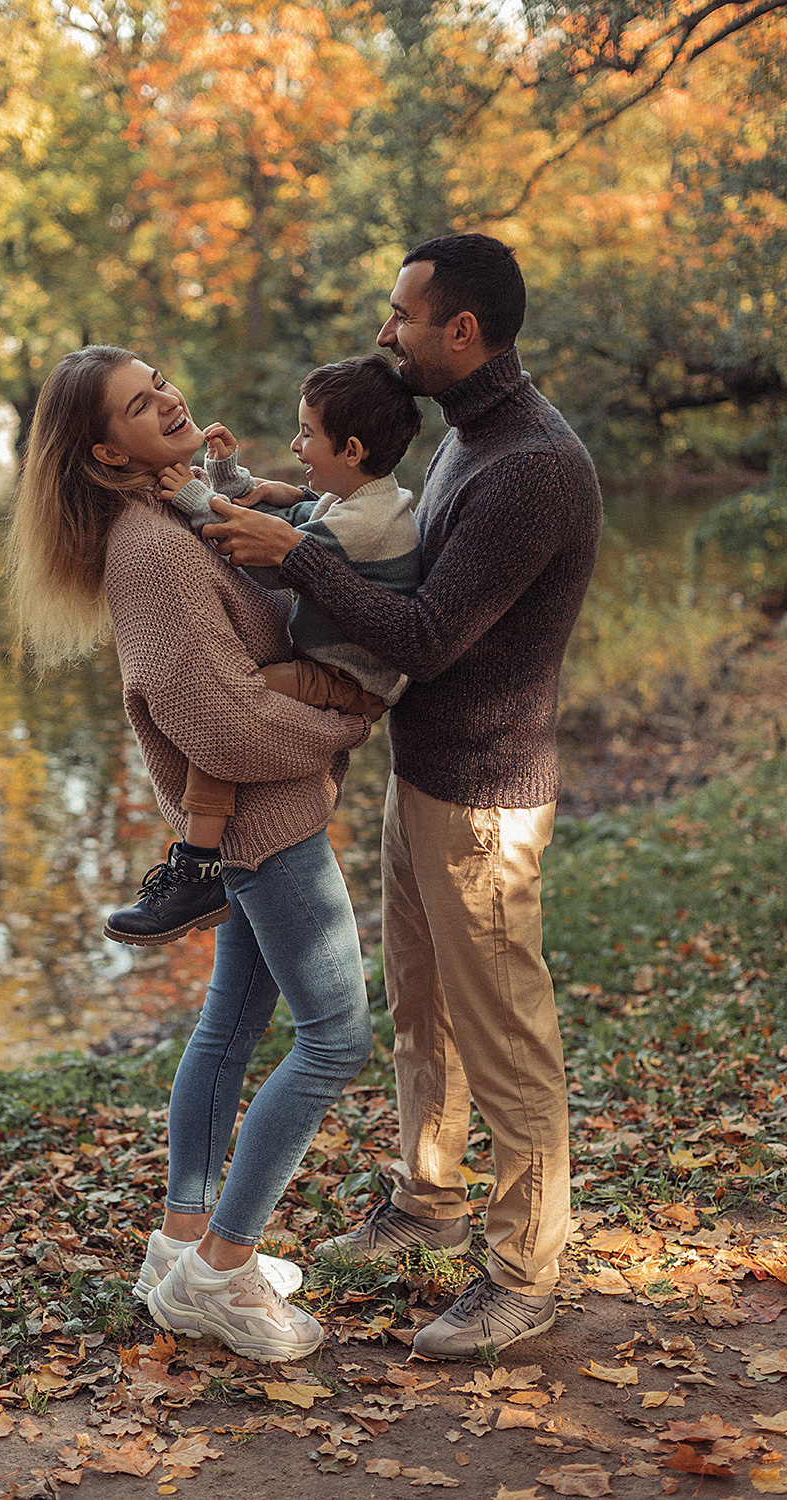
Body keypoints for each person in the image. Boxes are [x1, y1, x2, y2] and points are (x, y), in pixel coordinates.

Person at [200, 233, 603, 1359]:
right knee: (424, 1011)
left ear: (460, 331)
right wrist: (301, 505)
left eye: (401, 315)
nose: (385, 332)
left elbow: (426, 633)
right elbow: (408, 549)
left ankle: (523, 1275)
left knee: (505, 1034)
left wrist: (295, 557)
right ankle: (427, 1203)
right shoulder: (474, 438)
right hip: (427, 775)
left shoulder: (532, 466)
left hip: (484, 797)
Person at [5, 345, 375, 1362]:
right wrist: (347, 722)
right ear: (104, 450)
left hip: (259, 818)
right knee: (335, 1039)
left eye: (161, 379)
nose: (167, 399)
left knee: (233, 1020)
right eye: (139, 403)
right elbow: (220, 722)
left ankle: (179, 1245)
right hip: (266, 825)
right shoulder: (150, 550)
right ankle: (220, 1271)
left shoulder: (173, 513)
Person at [104, 352, 423, 946]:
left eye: (306, 434)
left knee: (213, 719)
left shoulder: (363, 524)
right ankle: (198, 865)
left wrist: (195, 501)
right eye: (142, 401)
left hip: (345, 682)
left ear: (351, 451)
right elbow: (284, 514)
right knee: (239, 1000)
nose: (296, 446)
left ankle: (197, 864)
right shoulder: (369, 500)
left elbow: (274, 559)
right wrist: (227, 479)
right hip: (333, 676)